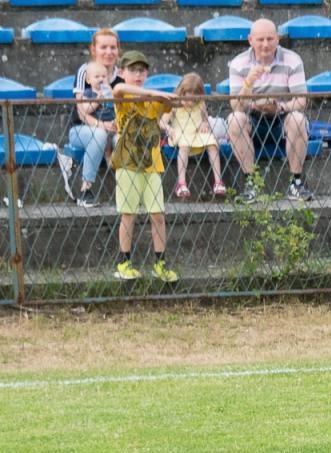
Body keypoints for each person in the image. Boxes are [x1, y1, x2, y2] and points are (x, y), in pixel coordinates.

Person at [109, 52, 178, 283]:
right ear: (121, 72)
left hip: (151, 164)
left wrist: (167, 100)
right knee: (128, 214)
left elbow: (168, 107)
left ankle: (160, 263)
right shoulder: (123, 95)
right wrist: (154, 93)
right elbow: (118, 90)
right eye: (132, 70)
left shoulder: (152, 100)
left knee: (158, 214)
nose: (138, 75)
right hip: (128, 164)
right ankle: (124, 262)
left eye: (142, 71)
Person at [226, 19, 313, 203]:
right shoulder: (238, 64)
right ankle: (251, 183)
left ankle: (296, 182)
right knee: (235, 119)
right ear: (250, 40)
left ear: (277, 39)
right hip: (253, 119)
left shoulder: (292, 59)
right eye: (260, 40)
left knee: (298, 119)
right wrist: (248, 83)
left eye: (270, 39)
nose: (265, 44)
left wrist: (280, 107)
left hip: (282, 118)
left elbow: (301, 100)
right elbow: (236, 106)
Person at [59, 29, 122, 208]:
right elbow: (82, 112)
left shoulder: (121, 75)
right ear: (94, 49)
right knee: (99, 135)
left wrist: (117, 124)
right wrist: (103, 125)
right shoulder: (85, 72)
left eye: (113, 47)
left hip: (113, 127)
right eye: (103, 47)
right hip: (81, 130)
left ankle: (130, 189)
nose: (109, 52)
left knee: (124, 137)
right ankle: (86, 190)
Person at [161, 73, 226, 200]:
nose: (190, 103)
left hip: (196, 133)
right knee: (184, 145)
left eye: (193, 99)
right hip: (180, 133)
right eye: (187, 99)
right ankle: (181, 183)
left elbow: (206, 119)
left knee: (212, 142)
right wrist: (168, 128)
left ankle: (218, 181)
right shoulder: (174, 104)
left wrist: (204, 123)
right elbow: (162, 122)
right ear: (181, 93)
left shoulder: (200, 104)